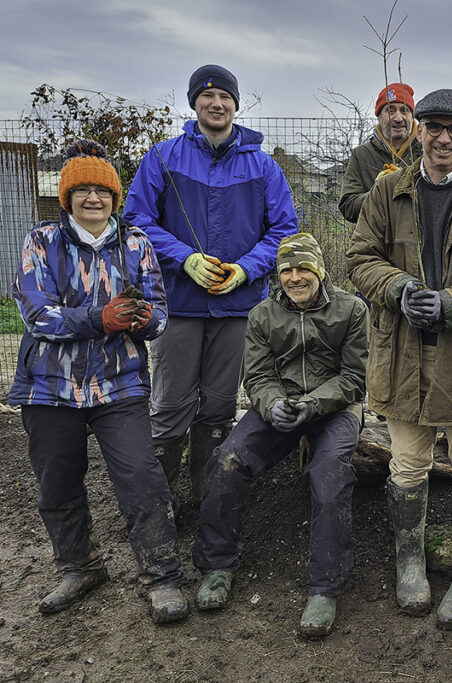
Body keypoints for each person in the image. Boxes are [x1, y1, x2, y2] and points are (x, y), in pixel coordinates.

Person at [346, 88, 452, 630]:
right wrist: (397, 288)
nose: (444, 138)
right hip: (400, 353)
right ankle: (409, 559)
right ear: (418, 131)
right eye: (434, 127)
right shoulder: (387, 191)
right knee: (407, 464)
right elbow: (359, 257)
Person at [10, 140, 188, 624]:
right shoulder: (41, 242)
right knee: (57, 482)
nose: (93, 199)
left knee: (141, 477)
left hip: (119, 383)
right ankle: (80, 567)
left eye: (102, 191)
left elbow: (159, 317)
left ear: (114, 197)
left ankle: (163, 575)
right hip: (49, 386)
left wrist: (141, 318)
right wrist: (99, 319)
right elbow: (36, 314)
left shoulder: (136, 244)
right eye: (82, 190)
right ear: (67, 198)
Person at [123, 64, 298, 515]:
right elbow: (136, 221)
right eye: (207, 96)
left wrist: (245, 270)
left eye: (224, 96)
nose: (216, 104)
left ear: (236, 105)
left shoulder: (262, 165)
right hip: (178, 305)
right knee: (169, 406)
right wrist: (185, 258)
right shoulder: (162, 158)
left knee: (219, 408)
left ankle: (208, 503)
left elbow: (283, 230)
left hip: (238, 308)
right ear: (194, 103)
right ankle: (156, 508)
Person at [191, 232, 367, 637]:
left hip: (334, 409)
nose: (295, 277)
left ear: (319, 270)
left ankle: (325, 587)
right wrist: (272, 405)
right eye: (286, 270)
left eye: (303, 268)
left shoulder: (352, 310)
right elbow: (257, 376)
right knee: (227, 460)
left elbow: (355, 377)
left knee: (329, 476)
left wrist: (313, 405)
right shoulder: (262, 314)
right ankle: (217, 566)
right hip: (280, 407)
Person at [338, 82, 423, 223]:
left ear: (412, 116)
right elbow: (348, 207)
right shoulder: (361, 155)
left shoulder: (427, 152)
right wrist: (381, 191)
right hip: (376, 241)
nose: (398, 118)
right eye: (390, 110)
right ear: (379, 116)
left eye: (404, 110)